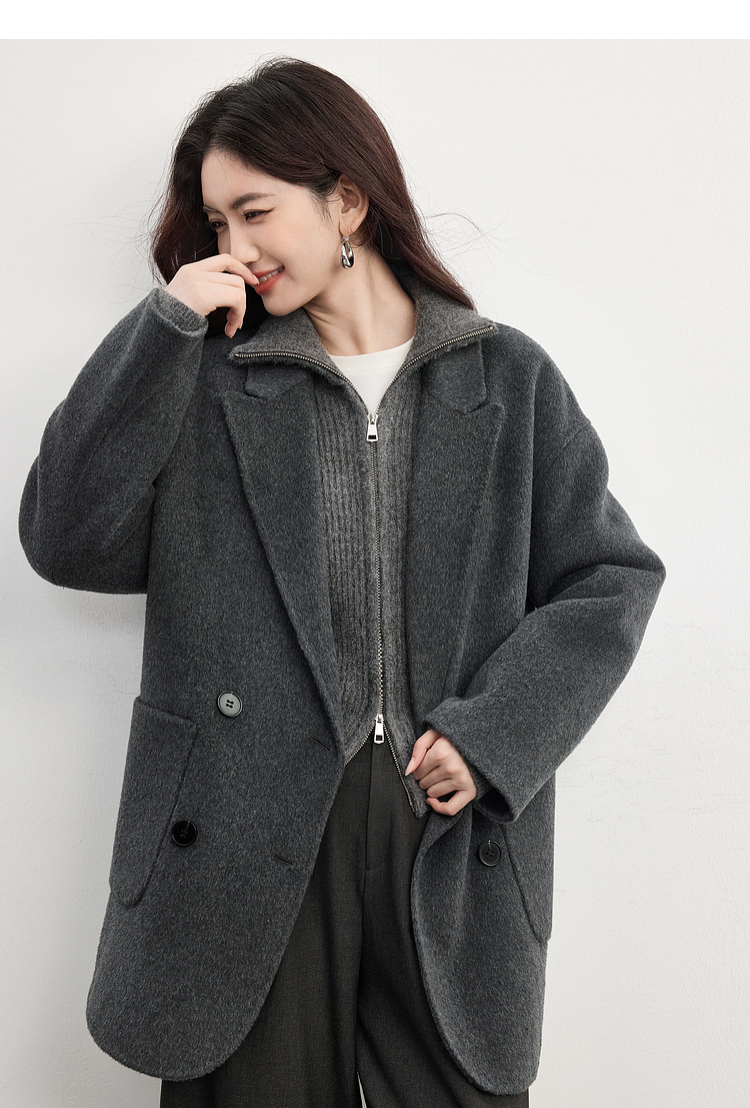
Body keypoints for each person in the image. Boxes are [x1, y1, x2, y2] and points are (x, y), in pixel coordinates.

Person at [18, 57, 665, 1107]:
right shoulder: (205, 376)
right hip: (243, 825)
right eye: (217, 223)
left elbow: (610, 576)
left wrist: (496, 735)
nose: (235, 247)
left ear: (348, 201)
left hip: (439, 824)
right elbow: (66, 539)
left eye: (255, 211)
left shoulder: (506, 380)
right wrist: (163, 326)